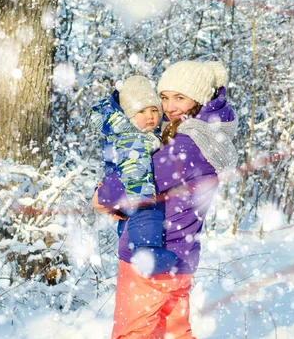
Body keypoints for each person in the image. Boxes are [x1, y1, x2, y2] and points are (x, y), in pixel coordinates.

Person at [95, 61, 238, 339]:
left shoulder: (188, 146)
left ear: (199, 99)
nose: (169, 107)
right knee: (174, 333)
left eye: (179, 98)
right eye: (164, 97)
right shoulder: (205, 138)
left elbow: (131, 182)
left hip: (152, 256)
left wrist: (102, 193)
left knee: (134, 333)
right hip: (180, 258)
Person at [90, 75, 178, 275]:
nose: (150, 116)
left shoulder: (144, 134)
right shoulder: (132, 138)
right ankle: (145, 256)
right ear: (129, 116)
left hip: (127, 194)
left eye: (154, 110)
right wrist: (140, 198)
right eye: (142, 111)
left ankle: (140, 256)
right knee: (146, 217)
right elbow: (133, 167)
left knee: (132, 228)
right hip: (134, 191)